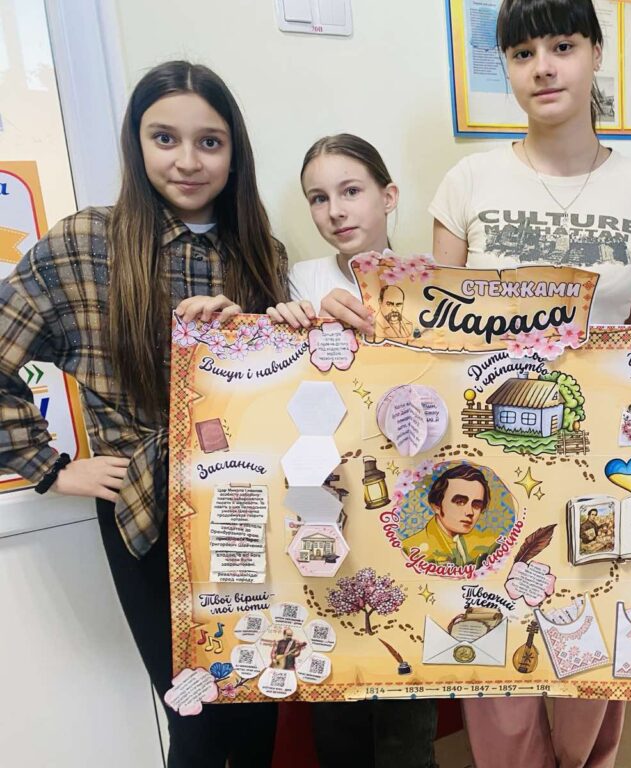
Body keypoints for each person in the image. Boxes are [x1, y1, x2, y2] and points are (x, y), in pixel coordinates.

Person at [429, 2, 631, 766]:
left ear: (596, 53)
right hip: (489, 466)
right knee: (497, 655)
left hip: (604, 464)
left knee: (594, 647)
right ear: (507, 68)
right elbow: (436, 340)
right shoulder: (467, 182)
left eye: (562, 45)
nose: (543, 67)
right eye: (522, 53)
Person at [0, 61, 287, 767]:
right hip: (144, 504)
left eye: (209, 142)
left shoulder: (261, 252)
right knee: (194, 714)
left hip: (247, 500)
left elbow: (281, 394)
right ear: (136, 143)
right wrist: (51, 468)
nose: (187, 161)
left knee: (259, 694)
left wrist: (255, 339)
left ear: (235, 152)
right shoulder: (85, 244)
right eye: (165, 138)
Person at [267, 134, 437, 768]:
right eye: (318, 198)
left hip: (408, 496)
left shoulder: (430, 281)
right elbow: (270, 382)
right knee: (334, 677)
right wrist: (290, 320)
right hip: (324, 498)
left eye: (351, 191)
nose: (335, 210)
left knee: (409, 691)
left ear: (388, 197)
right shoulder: (297, 280)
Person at [401, 463, 500, 566]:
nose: (470, 512)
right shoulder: (410, 550)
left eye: (476, 505)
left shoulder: (480, 546)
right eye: (460, 502)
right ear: (436, 506)